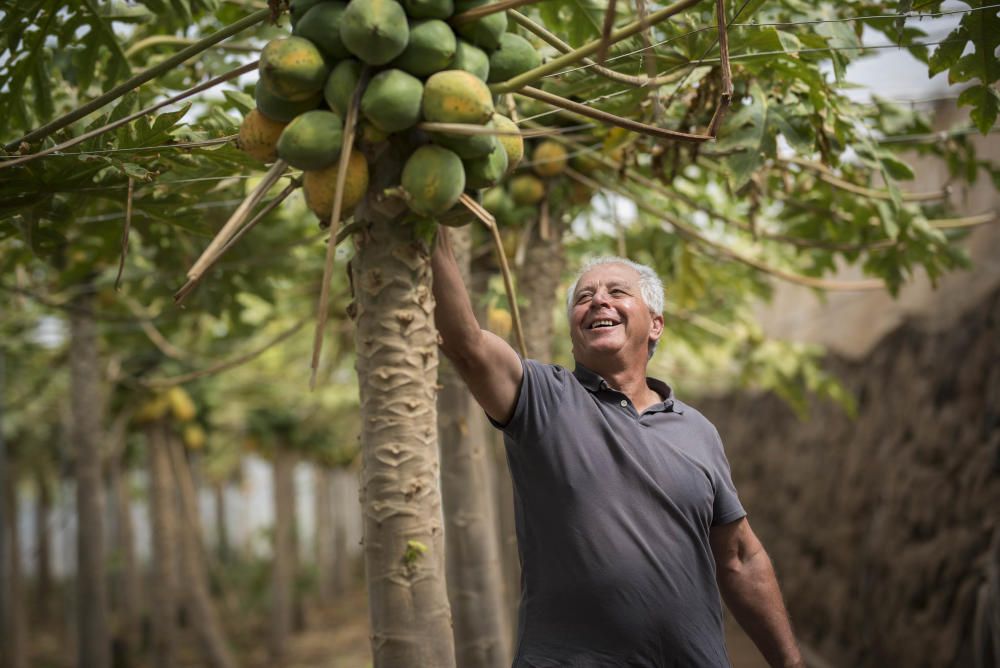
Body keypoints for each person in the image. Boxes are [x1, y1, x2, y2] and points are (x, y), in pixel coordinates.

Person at [431, 227, 804, 668]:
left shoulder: (699, 431)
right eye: (584, 297)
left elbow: (740, 557)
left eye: (617, 292)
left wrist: (791, 662)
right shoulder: (542, 398)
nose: (598, 301)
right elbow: (467, 346)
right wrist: (434, 232)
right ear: (573, 328)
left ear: (656, 323)